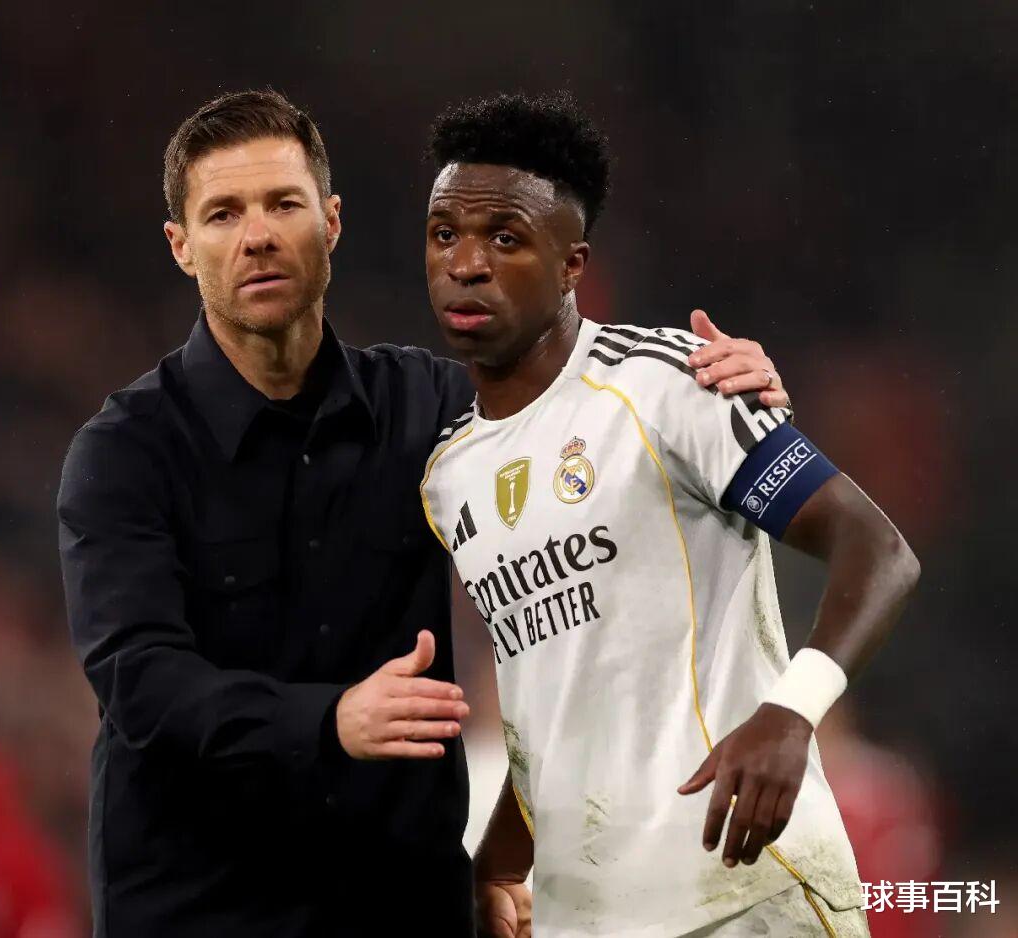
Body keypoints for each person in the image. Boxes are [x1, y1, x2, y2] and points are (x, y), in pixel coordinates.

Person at [57, 88, 792, 937]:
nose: (257, 235)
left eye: (283, 204)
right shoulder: (125, 452)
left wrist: (724, 390)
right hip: (199, 910)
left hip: (402, 905)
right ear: (181, 246)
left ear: (332, 223)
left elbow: (602, 423)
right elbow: (140, 681)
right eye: (223, 213)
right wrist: (328, 720)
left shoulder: (434, 410)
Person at [419, 92, 920, 937]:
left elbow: (878, 549)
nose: (465, 263)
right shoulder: (449, 475)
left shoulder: (672, 383)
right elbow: (557, 698)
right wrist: (500, 859)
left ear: (572, 264)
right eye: (444, 235)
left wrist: (792, 712)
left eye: (504, 238)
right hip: (587, 917)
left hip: (745, 891)